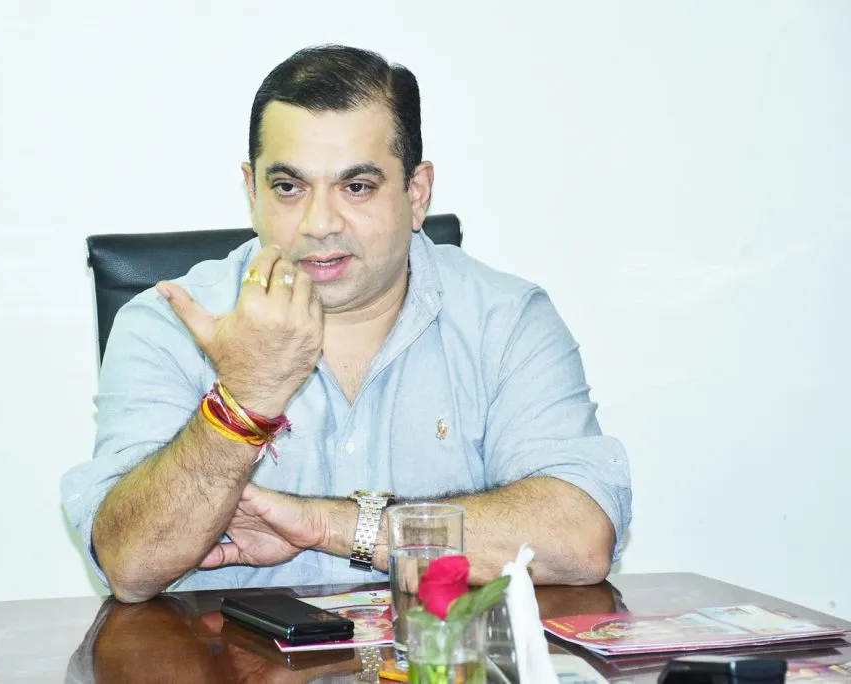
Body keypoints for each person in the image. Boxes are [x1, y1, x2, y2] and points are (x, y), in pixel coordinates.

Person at [61, 44, 632, 603]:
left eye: (356, 187)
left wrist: (330, 525)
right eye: (288, 188)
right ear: (252, 191)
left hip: (436, 654)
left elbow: (579, 539)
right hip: (226, 655)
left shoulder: (506, 320)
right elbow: (130, 565)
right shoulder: (169, 323)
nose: (320, 224)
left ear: (416, 193)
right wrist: (243, 403)